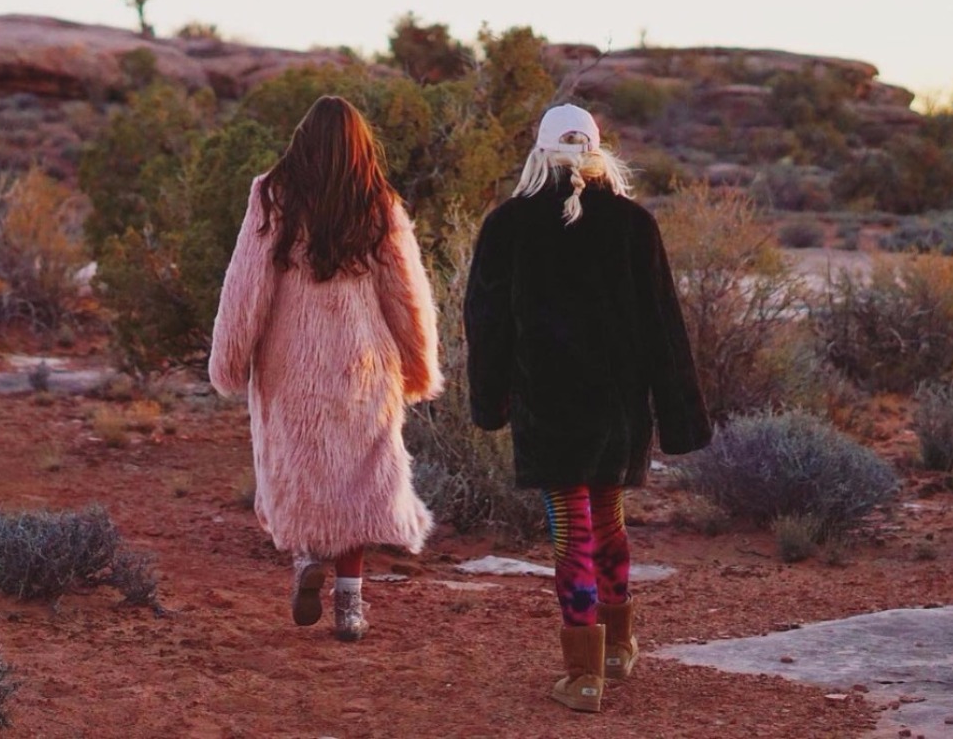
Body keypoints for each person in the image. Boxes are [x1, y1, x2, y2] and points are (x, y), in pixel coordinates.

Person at [463, 103, 711, 712]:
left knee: (572, 530)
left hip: (549, 406)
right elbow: (664, 326)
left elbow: (487, 324)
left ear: (542, 151)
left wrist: (490, 403)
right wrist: (679, 415)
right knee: (609, 520)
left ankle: (583, 677)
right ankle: (620, 649)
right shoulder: (633, 224)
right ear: (597, 150)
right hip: (618, 407)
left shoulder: (508, 225)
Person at [209, 95, 443, 641]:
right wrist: (417, 366)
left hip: (291, 364)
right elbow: (405, 293)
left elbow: (245, 288)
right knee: (357, 481)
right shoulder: (377, 202)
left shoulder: (273, 195)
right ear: (362, 146)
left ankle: (306, 559)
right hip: (363, 365)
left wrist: (230, 360)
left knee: (301, 468)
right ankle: (350, 607)